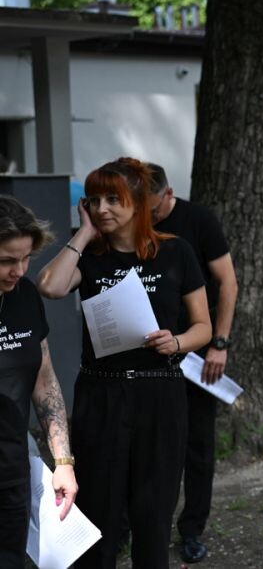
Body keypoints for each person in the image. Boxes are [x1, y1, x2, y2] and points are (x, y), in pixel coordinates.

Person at [37, 158, 211, 569]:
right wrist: (82, 234)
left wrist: (178, 341)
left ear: (138, 202)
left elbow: (202, 325)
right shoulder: (90, 256)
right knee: (99, 510)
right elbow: (50, 287)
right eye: (94, 200)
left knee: (154, 513)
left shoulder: (175, 251)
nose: (102, 208)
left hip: (159, 393)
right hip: (102, 394)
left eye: (114, 199)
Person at [147, 163, 238, 564]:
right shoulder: (132, 223)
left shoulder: (198, 220)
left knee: (198, 445)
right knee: (148, 444)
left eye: (150, 209)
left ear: (167, 195)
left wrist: (219, 343)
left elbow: (227, 282)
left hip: (198, 352)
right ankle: (139, 526)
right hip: (149, 353)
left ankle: (191, 530)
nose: (144, 218)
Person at [0, 196, 78, 566]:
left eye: (25, 258)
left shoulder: (25, 296)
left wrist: (62, 461)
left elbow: (44, 382)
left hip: (12, 469)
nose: (19, 270)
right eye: (6, 261)